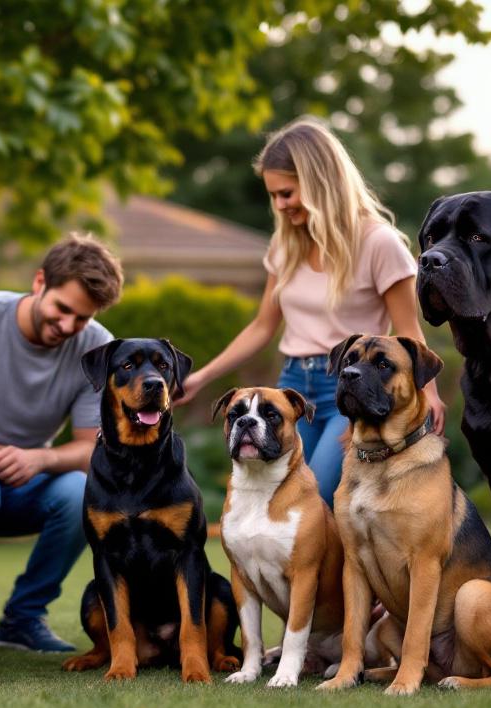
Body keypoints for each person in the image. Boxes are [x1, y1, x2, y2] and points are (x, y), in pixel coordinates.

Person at [178, 116, 446, 506]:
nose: (279, 206)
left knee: (313, 498)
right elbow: (261, 327)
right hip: (291, 388)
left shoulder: (379, 243)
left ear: (320, 182)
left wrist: (429, 394)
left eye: (286, 193)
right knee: (281, 507)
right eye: (273, 196)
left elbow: (409, 332)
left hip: (347, 387)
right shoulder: (285, 245)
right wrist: (201, 378)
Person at [0, 233, 123, 653]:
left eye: (81, 319)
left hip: (28, 481)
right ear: (39, 283)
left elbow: (92, 447)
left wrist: (40, 458)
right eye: (62, 309)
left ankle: (24, 617)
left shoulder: (98, 348)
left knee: (83, 491)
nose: (68, 326)